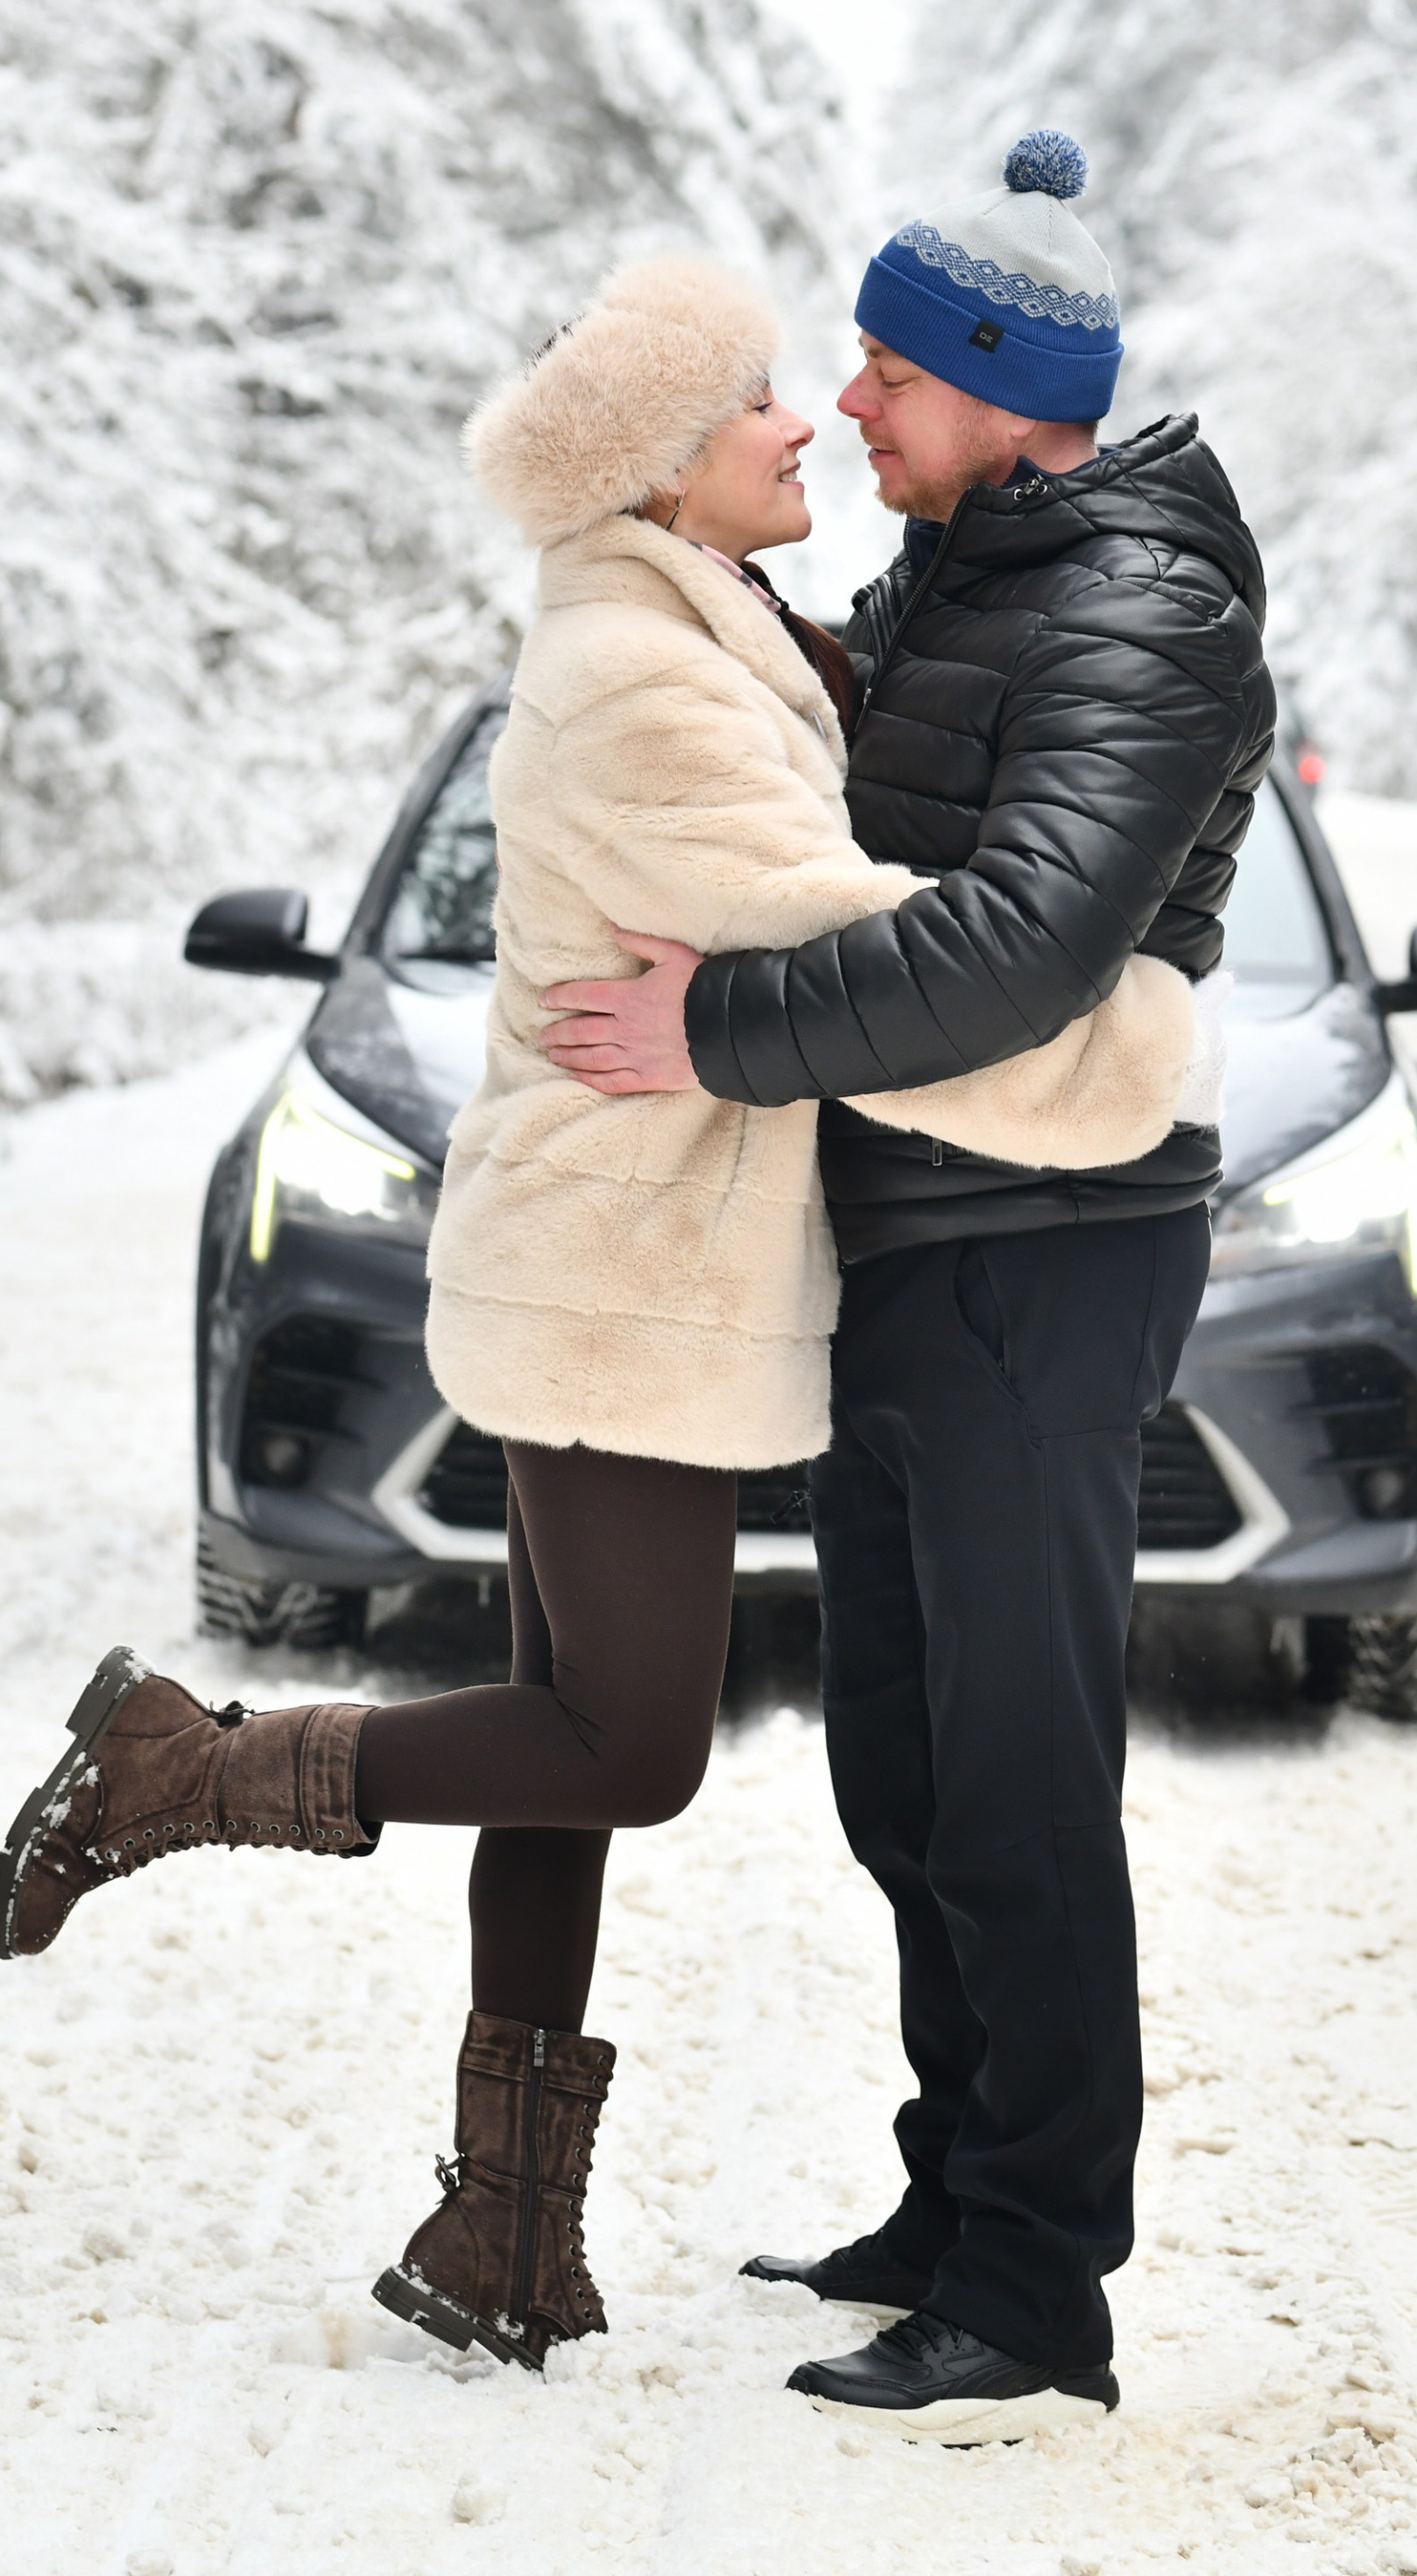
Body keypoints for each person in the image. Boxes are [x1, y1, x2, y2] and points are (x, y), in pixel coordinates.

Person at [0, 250, 1194, 2390]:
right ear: (653, 474)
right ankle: (173, 1766)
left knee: (561, 1735)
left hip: (640, 1247)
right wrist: (1123, 1047)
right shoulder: (645, 683)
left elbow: (879, 832)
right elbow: (865, 936)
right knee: (618, 1744)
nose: (805, 416)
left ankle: (502, 2234)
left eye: (838, 379)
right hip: (625, 1263)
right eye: (753, 400)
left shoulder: (712, 626)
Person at [539, 132, 1276, 2439]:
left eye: (880, 370)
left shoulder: (1138, 610)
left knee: (1019, 1780)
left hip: (1043, 1251)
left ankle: (1038, 2286)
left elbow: (1024, 942)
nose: (848, 405)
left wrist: (707, 1032)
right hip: (909, 1232)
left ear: (997, 387)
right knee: (904, 1764)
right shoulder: (976, 565)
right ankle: (950, 2201)